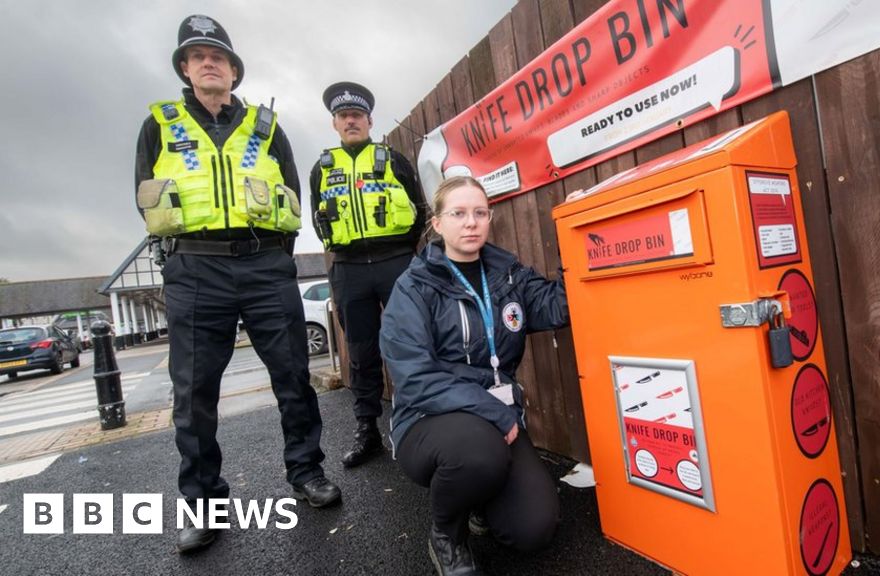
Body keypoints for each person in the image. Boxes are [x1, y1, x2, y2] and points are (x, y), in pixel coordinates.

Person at [134, 14, 341, 554]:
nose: (209, 62)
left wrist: (274, 258)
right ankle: (204, 504)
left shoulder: (267, 127)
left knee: (294, 374)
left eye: (218, 56)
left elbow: (292, 202)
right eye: (198, 55)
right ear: (185, 67)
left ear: (233, 70)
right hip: (194, 268)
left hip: (263, 265)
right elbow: (146, 196)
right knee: (194, 393)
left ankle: (306, 472)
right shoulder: (159, 124)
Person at [380, 176, 570, 575]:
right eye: (459, 213)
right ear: (437, 223)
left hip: (496, 420)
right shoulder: (414, 286)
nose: (471, 223)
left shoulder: (507, 274)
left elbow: (558, 307)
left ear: (490, 219)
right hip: (429, 420)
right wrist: (496, 412)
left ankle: (481, 498)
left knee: (533, 530)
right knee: (476, 453)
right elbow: (414, 378)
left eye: (479, 213)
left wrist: (579, 244)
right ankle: (446, 535)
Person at [310, 81, 426, 468]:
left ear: (369, 120)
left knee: (412, 341)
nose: (351, 121)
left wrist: (402, 252)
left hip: (396, 261)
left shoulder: (393, 159)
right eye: (344, 116)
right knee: (360, 352)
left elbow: (419, 208)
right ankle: (368, 430)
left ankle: (421, 421)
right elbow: (317, 217)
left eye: (357, 115)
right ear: (335, 124)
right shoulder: (321, 169)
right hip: (348, 268)